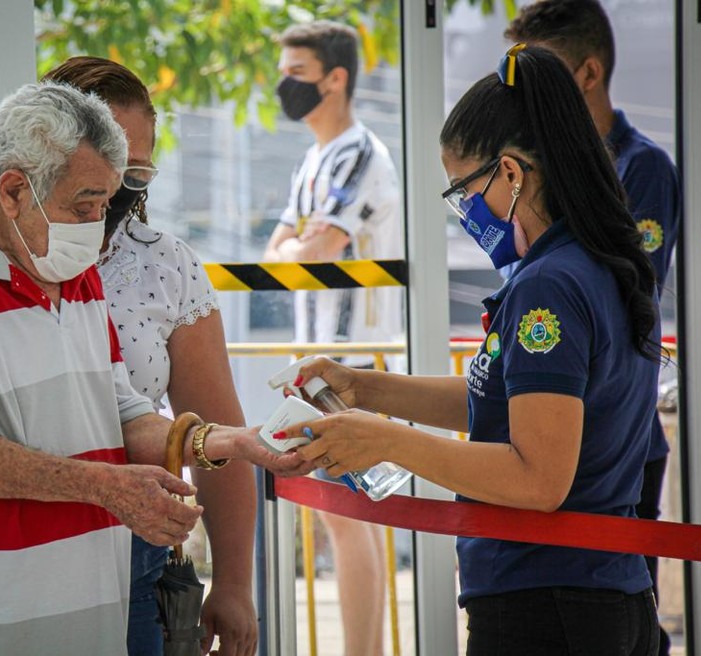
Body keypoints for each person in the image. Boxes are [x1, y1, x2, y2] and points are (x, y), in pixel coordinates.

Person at [0, 80, 304, 655]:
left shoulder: (70, 264)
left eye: (111, 198)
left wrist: (225, 442)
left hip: (81, 621)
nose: (99, 222)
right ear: (14, 189)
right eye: (84, 204)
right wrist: (108, 487)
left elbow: (118, 411)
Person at [276, 44, 662, 655]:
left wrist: (383, 440)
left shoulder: (548, 286)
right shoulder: (589, 263)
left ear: (510, 173)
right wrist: (365, 387)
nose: (464, 212)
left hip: (546, 601)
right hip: (597, 590)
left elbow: (539, 478)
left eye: (464, 190)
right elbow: (513, 401)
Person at [39, 56, 258, 656]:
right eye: (99, 164)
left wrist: (234, 584)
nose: (112, 191)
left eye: (134, 171)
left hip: (136, 560)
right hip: (17, 553)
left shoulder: (164, 265)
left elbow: (220, 435)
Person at [504, 4, 680, 652]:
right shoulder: (529, 183)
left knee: (616, 604)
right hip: (557, 420)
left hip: (613, 432)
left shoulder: (641, 168)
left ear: (588, 72)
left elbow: (630, 287)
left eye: (540, 79)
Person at [262, 20, 402, 656]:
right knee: (342, 518)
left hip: (350, 367)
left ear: (335, 78)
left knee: (351, 520)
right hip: (317, 367)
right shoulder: (314, 159)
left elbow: (316, 246)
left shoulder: (361, 153)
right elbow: (278, 250)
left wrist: (300, 244)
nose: (284, 85)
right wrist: (299, 244)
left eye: (297, 73)